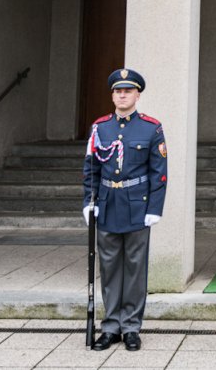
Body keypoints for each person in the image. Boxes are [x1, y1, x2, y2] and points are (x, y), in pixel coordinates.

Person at [82, 68, 167, 352]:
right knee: (108, 268)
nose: (122, 95)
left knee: (134, 268)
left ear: (137, 95)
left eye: (128, 91)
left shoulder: (150, 128)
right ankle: (110, 327)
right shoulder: (100, 127)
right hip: (107, 204)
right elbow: (90, 170)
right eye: (118, 91)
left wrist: (155, 207)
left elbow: (159, 172)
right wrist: (88, 202)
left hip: (137, 206)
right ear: (112, 95)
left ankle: (131, 327)